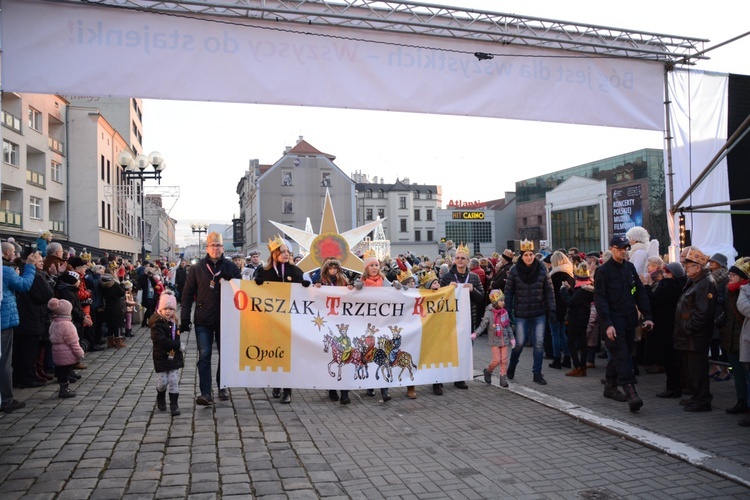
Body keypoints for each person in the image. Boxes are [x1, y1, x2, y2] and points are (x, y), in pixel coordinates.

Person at [181, 232, 241, 406]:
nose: (215, 249)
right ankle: (205, 392)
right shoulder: (197, 268)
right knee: (205, 354)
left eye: (218, 246)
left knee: (225, 354)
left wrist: (234, 281)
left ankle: (222, 385)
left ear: (223, 248)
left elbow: (242, 291)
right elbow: (187, 294)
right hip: (203, 317)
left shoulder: (230, 267)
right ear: (207, 248)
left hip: (225, 318)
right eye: (212, 246)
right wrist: (185, 318)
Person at [595, 236, 653, 412]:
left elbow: (639, 292)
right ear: (612, 248)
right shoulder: (603, 272)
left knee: (623, 353)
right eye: (620, 248)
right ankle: (631, 393)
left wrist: (647, 315)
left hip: (629, 320)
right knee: (622, 356)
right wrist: (608, 324)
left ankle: (610, 386)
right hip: (614, 321)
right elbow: (601, 300)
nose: (623, 251)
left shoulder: (629, 268)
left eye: (626, 248)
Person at [255, 235, 309, 404]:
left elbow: (306, 289)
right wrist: (257, 283)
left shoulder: (294, 270)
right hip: (272, 321)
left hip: (290, 321)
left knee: (287, 355)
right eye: (283, 252)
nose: (287, 254)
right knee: (274, 353)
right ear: (274, 254)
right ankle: (276, 383)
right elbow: (254, 290)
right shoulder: (265, 271)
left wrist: (305, 285)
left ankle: (287, 389)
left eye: (288, 252)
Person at [505, 239, 555, 386]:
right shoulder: (514, 271)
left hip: (539, 312)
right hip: (521, 313)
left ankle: (537, 373)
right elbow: (508, 293)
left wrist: (552, 308)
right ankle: (512, 366)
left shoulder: (542, 269)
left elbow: (549, 290)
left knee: (539, 344)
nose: (529, 257)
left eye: (531, 254)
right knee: (519, 343)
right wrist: (507, 311)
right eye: (526, 254)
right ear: (521, 256)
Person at [674, 248, 718, 412]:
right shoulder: (696, 281)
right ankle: (696, 396)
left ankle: (702, 399)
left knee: (698, 369)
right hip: (688, 335)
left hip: (695, 336)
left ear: (697, 267)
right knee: (691, 369)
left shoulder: (706, 283)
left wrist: (688, 327)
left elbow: (703, 313)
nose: (685, 267)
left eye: (688, 265)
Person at [1, 243, 41, 413]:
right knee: (4, 362)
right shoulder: (6, 271)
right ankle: (6, 399)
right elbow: (24, 286)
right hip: (4, 321)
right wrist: (30, 267)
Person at [440, 242, 484, 390]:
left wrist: (473, 290)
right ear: (454, 260)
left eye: (463, 258)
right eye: (457, 258)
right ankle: (440, 378)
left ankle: (460, 378)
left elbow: (482, 299)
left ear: (467, 261)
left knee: (465, 349)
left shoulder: (474, 277)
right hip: (450, 319)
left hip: (468, 319)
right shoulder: (447, 277)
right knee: (447, 348)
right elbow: (438, 298)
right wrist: (447, 289)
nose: (460, 260)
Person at [354, 250, 393, 400]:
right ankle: (369, 386)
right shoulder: (361, 283)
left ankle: (384, 389)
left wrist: (398, 287)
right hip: (366, 326)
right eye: (372, 265)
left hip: (382, 324)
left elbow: (399, 295)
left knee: (382, 355)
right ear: (366, 268)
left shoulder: (385, 282)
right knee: (367, 355)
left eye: (377, 265)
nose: (375, 267)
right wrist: (354, 287)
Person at [13, 251, 54, 389]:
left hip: (23, 317)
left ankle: (20, 377)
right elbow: (46, 294)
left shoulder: (19, 271)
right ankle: (27, 378)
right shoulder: (34, 276)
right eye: (39, 260)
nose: (42, 262)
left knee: (21, 350)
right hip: (30, 317)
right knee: (28, 351)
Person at [315, 258, 352, 405]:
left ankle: (345, 392)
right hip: (328, 322)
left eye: (335, 268)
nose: (333, 271)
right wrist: (316, 286)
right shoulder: (321, 280)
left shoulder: (343, 280)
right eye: (330, 268)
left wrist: (351, 287)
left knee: (345, 356)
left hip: (343, 321)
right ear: (326, 269)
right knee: (331, 355)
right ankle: (331, 388)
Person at [648, 263, 687, 399]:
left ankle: (673, 387)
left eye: (667, 273)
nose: (664, 275)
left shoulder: (668, 287)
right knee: (675, 359)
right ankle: (679, 385)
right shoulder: (680, 285)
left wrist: (647, 287)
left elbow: (654, 300)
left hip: (666, 326)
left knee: (670, 359)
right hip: (673, 325)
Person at [718, 257, 750, 415]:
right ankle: (741, 401)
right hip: (730, 336)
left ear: (743, 277)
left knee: (747, 375)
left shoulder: (745, 291)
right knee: (738, 374)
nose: (730, 275)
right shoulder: (729, 290)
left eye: (733, 274)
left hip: (743, 338)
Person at [150, 293, 184, 416]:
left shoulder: (174, 322)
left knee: (174, 380)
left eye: (171, 309)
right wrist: (177, 345)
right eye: (165, 309)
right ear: (160, 309)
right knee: (163, 382)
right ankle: (160, 395)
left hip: (174, 356)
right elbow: (160, 340)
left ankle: (174, 404)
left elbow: (176, 336)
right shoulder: (156, 324)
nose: (168, 312)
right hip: (161, 357)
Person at [559, 262, 595, 377]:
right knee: (583, 343)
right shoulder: (587, 290)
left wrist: (563, 291)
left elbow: (570, 302)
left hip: (575, 319)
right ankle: (583, 366)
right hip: (584, 318)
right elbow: (576, 299)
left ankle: (578, 366)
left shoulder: (581, 291)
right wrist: (570, 290)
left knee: (570, 342)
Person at [475, 289, 515, 388]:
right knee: (496, 360)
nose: (503, 302)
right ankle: (488, 371)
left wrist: (512, 338)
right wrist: (476, 333)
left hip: (504, 340)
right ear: (495, 302)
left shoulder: (504, 312)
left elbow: (507, 326)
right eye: (501, 300)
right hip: (494, 340)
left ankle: (503, 379)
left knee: (504, 360)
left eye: (503, 300)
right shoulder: (489, 313)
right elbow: (483, 325)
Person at [47, 298, 85, 399]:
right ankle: (64, 389)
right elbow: (73, 342)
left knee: (60, 371)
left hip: (56, 351)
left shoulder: (54, 323)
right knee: (65, 372)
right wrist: (80, 353)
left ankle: (63, 387)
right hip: (66, 353)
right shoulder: (68, 325)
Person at [548, 251, 575, 370]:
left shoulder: (553, 276)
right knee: (563, 333)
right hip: (566, 308)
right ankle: (567, 358)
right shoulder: (570, 274)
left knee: (555, 334)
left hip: (555, 307)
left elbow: (549, 294)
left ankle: (557, 359)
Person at [708, 253, 731, 381]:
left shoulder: (725, 278)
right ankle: (714, 366)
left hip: (720, 314)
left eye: (713, 261)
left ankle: (725, 369)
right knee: (713, 341)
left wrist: (714, 298)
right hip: (711, 313)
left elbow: (726, 298)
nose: (710, 263)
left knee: (722, 342)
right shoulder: (709, 277)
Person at [100, 271, 127, 348]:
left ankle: (110, 342)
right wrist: (122, 285)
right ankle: (119, 342)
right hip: (116, 307)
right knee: (117, 325)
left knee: (110, 326)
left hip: (108, 307)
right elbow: (122, 293)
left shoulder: (103, 287)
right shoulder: (115, 285)